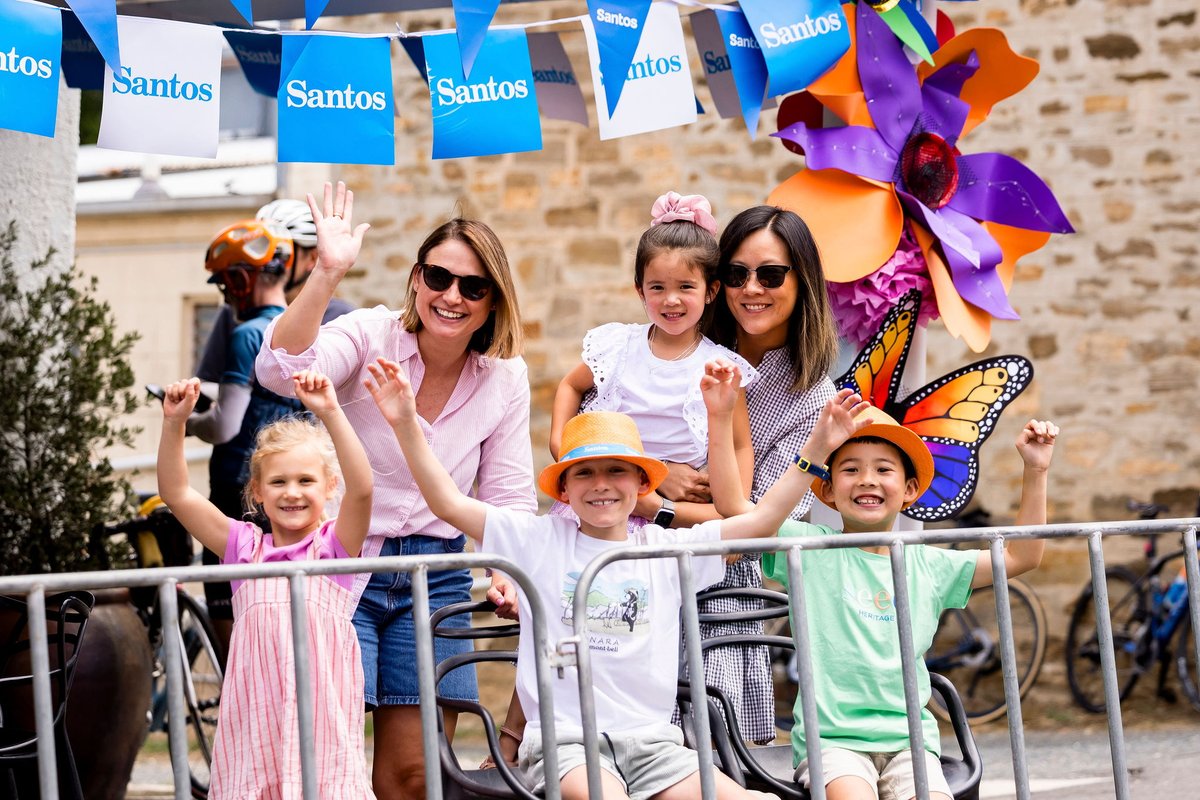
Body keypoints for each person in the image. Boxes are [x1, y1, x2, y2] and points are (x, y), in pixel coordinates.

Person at [366, 354, 866, 800]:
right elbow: (447, 502)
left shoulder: (664, 550)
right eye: (584, 472)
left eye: (616, 471)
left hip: (654, 744)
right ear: (563, 488)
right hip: (567, 742)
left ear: (641, 484)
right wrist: (408, 424)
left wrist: (817, 450)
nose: (601, 484)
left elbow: (758, 522)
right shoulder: (539, 539)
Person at [254, 181, 535, 800]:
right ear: (416, 279)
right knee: (326, 762)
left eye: (473, 286)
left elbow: (511, 497)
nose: (451, 295)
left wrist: (507, 573)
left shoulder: (506, 379)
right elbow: (277, 370)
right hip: (342, 564)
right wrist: (326, 273)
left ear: (494, 303)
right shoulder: (370, 334)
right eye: (439, 277)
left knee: (412, 777)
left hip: (433, 577)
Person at [706, 381, 1058, 800]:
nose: (866, 480)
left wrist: (1035, 471)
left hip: (911, 743)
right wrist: (723, 417)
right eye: (850, 469)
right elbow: (732, 504)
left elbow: (1021, 558)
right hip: (832, 744)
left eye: (884, 469)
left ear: (909, 490)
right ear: (830, 491)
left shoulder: (929, 563)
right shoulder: (807, 547)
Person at [157, 370, 374, 799]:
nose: (291, 492)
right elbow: (177, 493)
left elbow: (363, 490)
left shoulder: (333, 548)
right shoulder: (242, 547)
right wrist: (174, 423)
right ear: (257, 491)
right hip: (255, 728)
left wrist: (330, 412)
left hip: (321, 725)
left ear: (329, 486)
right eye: (278, 481)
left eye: (306, 481)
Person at [550, 190, 757, 528]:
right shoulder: (617, 346)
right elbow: (571, 386)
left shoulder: (720, 366)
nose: (670, 299)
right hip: (599, 501)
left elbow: (739, 444)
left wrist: (736, 504)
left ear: (711, 291)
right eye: (657, 287)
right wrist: (562, 446)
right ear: (639, 290)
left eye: (686, 287)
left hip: (670, 522)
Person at [188, 219, 310, 653]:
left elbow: (225, 424)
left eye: (225, 285)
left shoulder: (247, 334)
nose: (225, 296)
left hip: (237, 494)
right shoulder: (306, 330)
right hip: (289, 494)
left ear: (241, 280)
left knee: (238, 644)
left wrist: (189, 420)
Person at [195, 198, 356, 387]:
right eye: (263, 246)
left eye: (283, 250)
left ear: (312, 257)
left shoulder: (339, 317)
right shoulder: (235, 311)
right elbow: (210, 381)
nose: (270, 258)